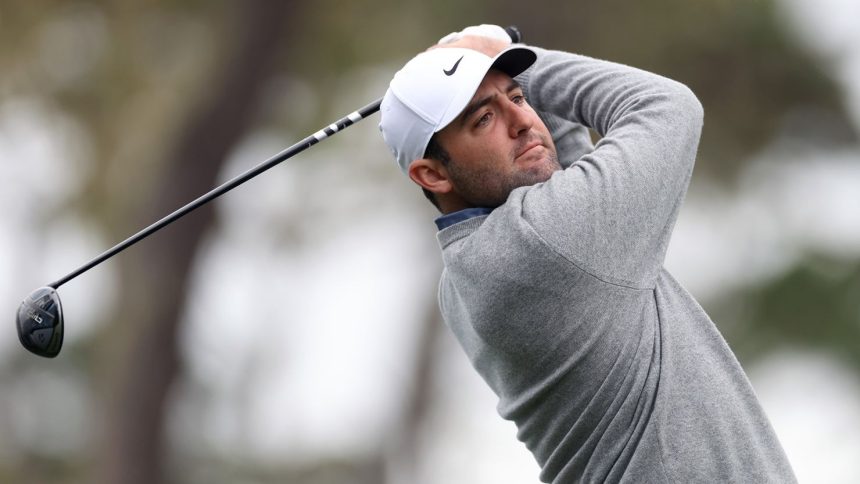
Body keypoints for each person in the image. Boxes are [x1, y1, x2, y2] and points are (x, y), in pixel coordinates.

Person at [378, 25, 797, 483]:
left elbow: (564, 162)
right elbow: (667, 108)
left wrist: (496, 66)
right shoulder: (543, 243)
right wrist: (517, 56)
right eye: (483, 119)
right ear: (433, 175)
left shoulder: (463, 277)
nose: (523, 122)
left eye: (517, 99)